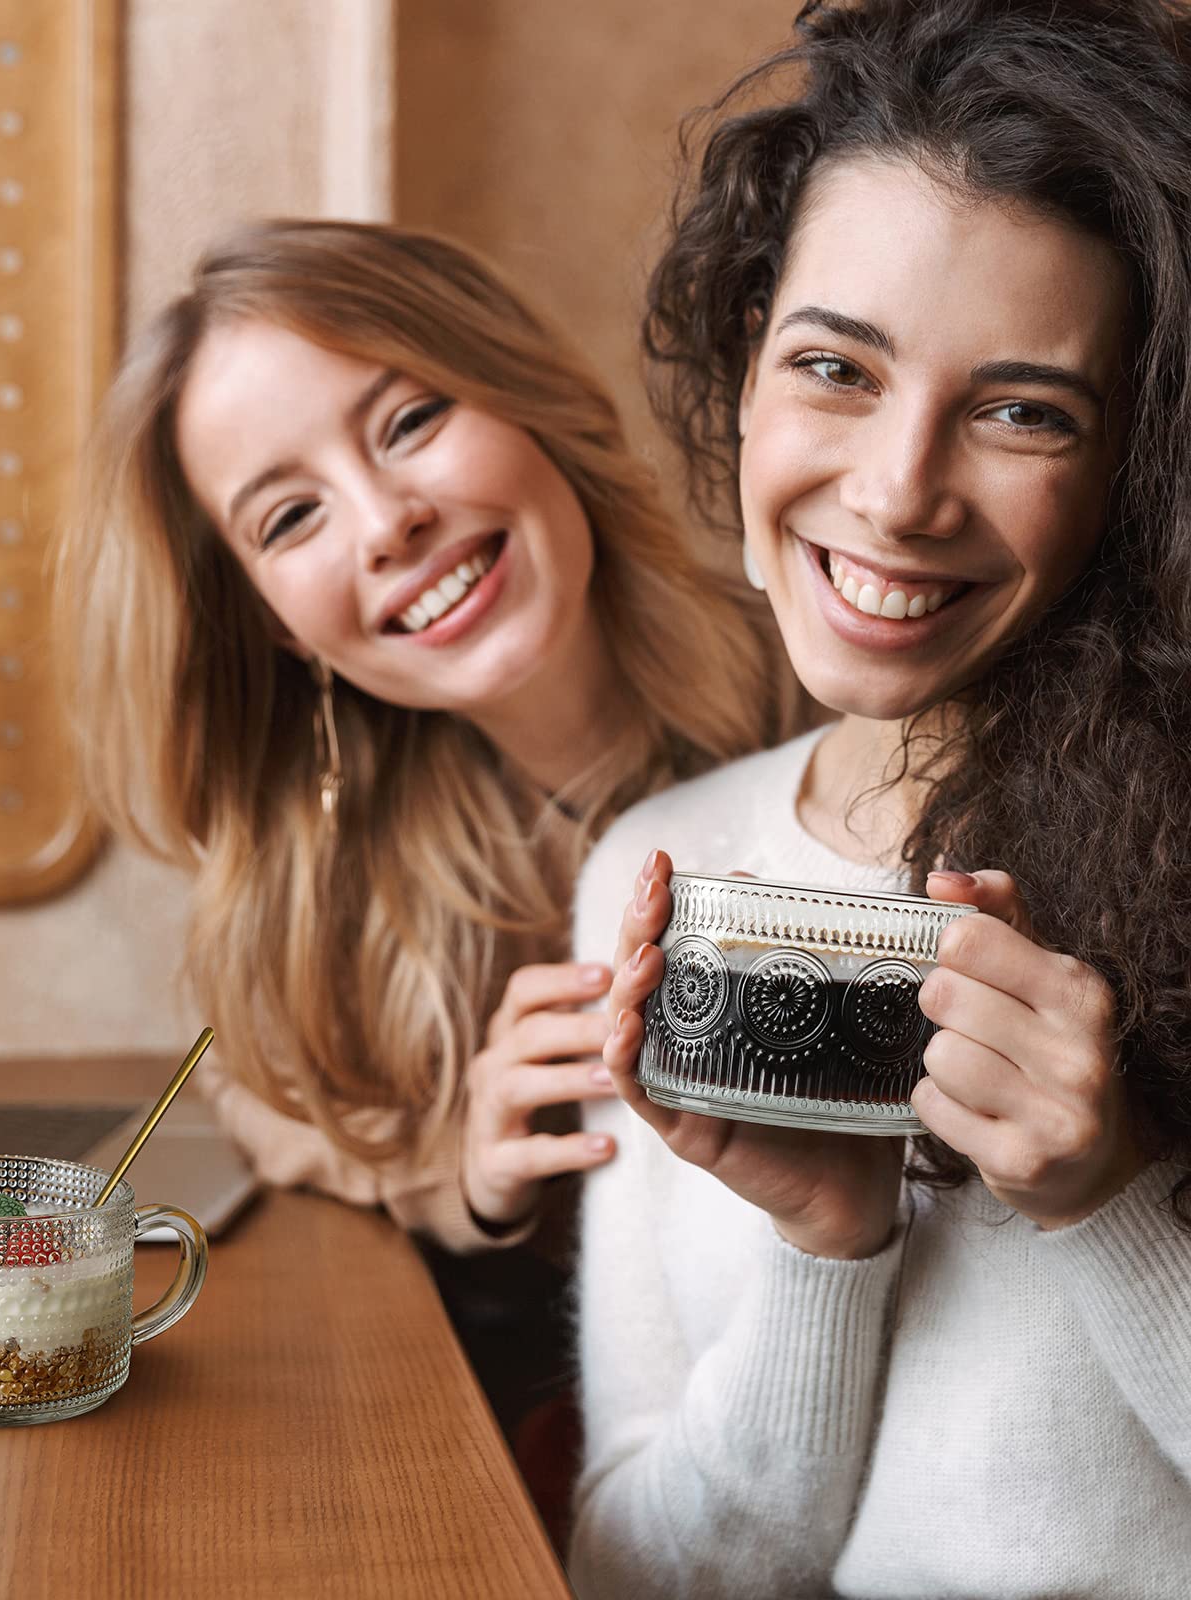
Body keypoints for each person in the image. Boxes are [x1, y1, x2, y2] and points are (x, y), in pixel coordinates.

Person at [569, 0, 1191, 1594]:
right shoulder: (665, 867)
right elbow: (640, 1577)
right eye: (836, 367)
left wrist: (1111, 1202)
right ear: (748, 361)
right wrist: (824, 1246)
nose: (900, 493)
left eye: (1023, 410)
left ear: (1137, 467)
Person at [54, 221, 791, 1490]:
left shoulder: (831, 690)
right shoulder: (331, 879)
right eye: (292, 516)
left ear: (525, 396)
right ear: (275, 626)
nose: (387, 521)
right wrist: (459, 1169)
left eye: (408, 422)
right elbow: (262, 1096)